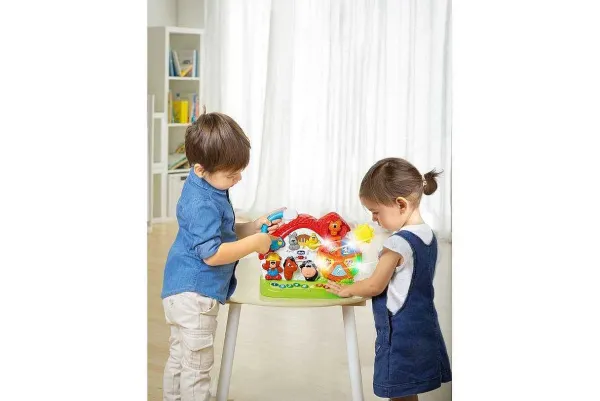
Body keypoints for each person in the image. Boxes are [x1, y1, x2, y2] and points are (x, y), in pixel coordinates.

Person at [160, 108, 283, 401]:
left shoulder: (207, 187)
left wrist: (252, 228)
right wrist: (256, 244)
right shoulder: (201, 203)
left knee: (180, 359)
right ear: (200, 169)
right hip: (195, 296)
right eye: (231, 174)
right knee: (197, 369)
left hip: (180, 292)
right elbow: (213, 254)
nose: (238, 178)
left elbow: (221, 234)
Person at [327, 157, 451, 401]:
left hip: (400, 332)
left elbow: (375, 285)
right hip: (424, 325)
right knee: (408, 390)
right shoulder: (429, 236)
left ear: (401, 204)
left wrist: (348, 288)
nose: (374, 219)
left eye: (376, 212)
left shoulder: (397, 243)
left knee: (398, 392)